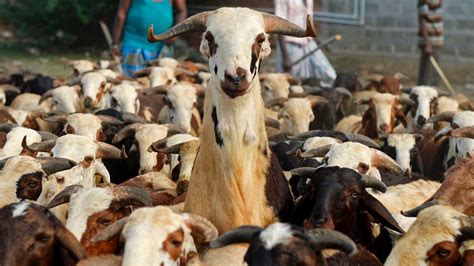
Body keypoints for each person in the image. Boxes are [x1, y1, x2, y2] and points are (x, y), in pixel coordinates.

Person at [112, 0, 187, 77]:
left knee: (159, 83)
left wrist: (176, 34)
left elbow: (182, 11)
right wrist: (115, 44)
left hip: (162, 49)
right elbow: (121, 15)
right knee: (131, 84)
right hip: (134, 45)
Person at [274, 0, 337, 87]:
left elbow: (308, 20)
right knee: (293, 83)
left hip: (308, 43)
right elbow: (279, 25)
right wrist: (285, 57)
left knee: (329, 75)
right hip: (289, 46)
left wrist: (313, 40)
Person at [417, 0, 443, 86]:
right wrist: (427, 44)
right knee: (427, 74)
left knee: (434, 74)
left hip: (436, 42)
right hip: (430, 43)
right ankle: (424, 95)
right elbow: (422, 21)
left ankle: (433, 94)